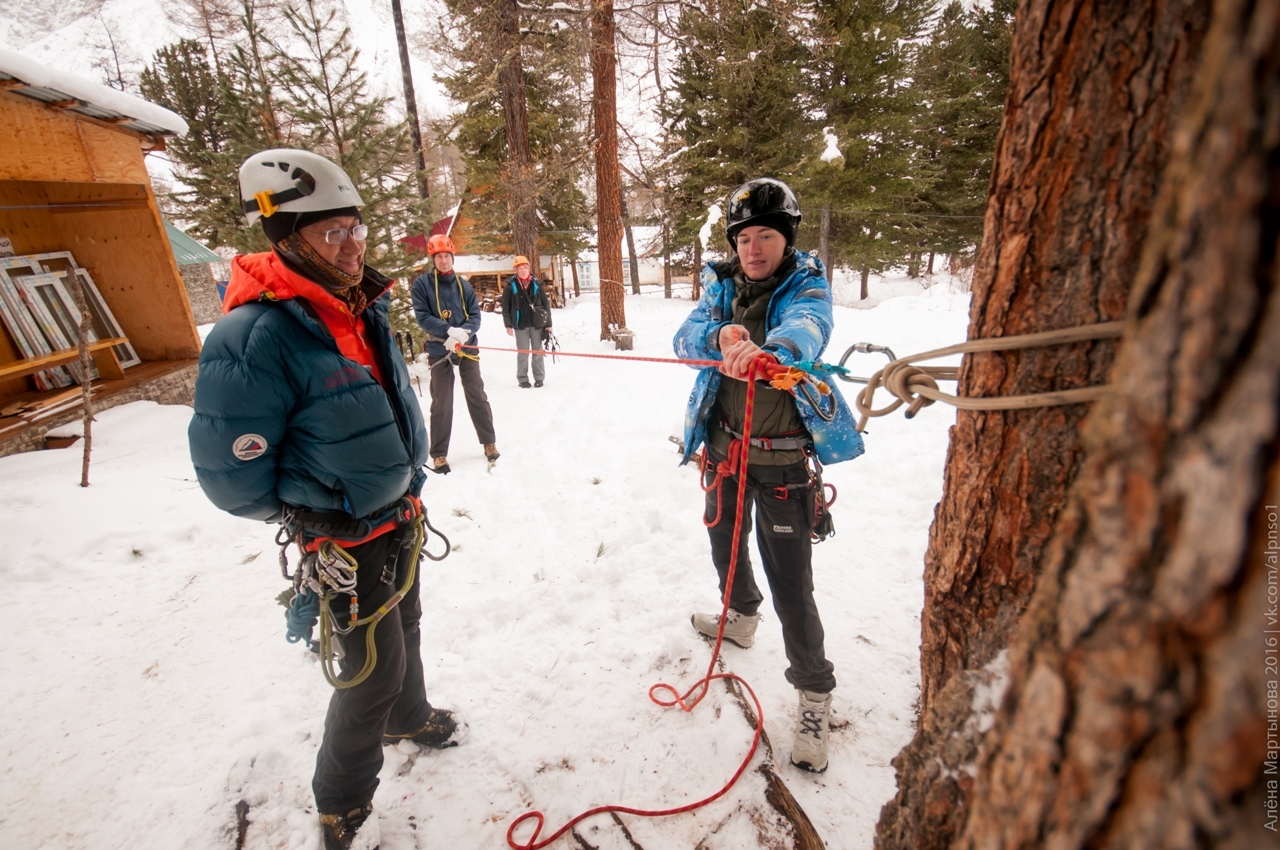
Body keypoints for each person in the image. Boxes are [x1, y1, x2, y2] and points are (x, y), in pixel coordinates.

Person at [189, 149, 462, 850]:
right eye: (330, 233)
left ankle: (411, 717)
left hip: (397, 515)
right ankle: (340, 800)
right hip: (342, 534)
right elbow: (231, 479)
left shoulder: (357, 305)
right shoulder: (253, 337)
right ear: (287, 241)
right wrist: (314, 512)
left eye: (355, 228)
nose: (351, 245)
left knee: (407, 630)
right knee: (368, 672)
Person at [673, 177, 864, 774]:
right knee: (723, 544)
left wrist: (772, 351)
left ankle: (813, 692)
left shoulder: (805, 284)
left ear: (787, 239)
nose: (754, 249)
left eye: (766, 237)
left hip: (781, 461)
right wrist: (721, 335)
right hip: (723, 452)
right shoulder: (720, 287)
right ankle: (742, 615)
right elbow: (684, 338)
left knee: (793, 584)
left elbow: (808, 328)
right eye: (745, 238)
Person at [410, 235, 499, 473]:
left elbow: (475, 316)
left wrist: (463, 334)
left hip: (466, 346)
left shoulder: (464, 285)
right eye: (438, 256)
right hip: (440, 348)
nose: (443, 260)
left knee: (477, 394)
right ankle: (439, 454)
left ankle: (489, 441)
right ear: (433, 259)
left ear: (452, 257)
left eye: (447, 256)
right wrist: (447, 330)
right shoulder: (422, 285)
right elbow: (422, 316)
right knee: (442, 401)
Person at [501, 254, 553, 388]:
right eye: (520, 268)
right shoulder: (510, 286)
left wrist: (549, 325)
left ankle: (539, 377)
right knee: (523, 353)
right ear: (515, 270)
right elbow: (506, 307)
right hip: (520, 326)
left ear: (529, 268)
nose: (523, 270)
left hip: (537, 325)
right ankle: (523, 379)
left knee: (537, 352)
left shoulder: (537, 284)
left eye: (525, 267)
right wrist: (508, 325)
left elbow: (546, 305)